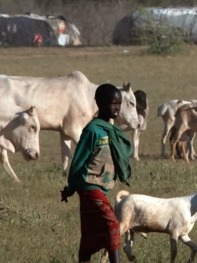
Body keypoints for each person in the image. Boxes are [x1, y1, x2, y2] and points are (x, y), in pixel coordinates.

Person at [61, 84, 133, 263]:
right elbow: (78, 161)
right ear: (100, 104)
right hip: (89, 185)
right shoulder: (92, 130)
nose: (117, 107)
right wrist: (70, 188)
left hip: (101, 188)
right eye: (112, 103)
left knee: (89, 233)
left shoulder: (111, 130)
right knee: (113, 225)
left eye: (119, 103)